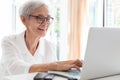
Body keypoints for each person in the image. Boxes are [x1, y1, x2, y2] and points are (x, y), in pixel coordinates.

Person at [1, 0, 82, 77]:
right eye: (40, 18)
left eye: (48, 19)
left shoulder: (49, 46)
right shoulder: (9, 42)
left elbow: (53, 71)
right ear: (24, 19)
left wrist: (72, 62)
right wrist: (53, 66)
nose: (45, 23)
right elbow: (14, 68)